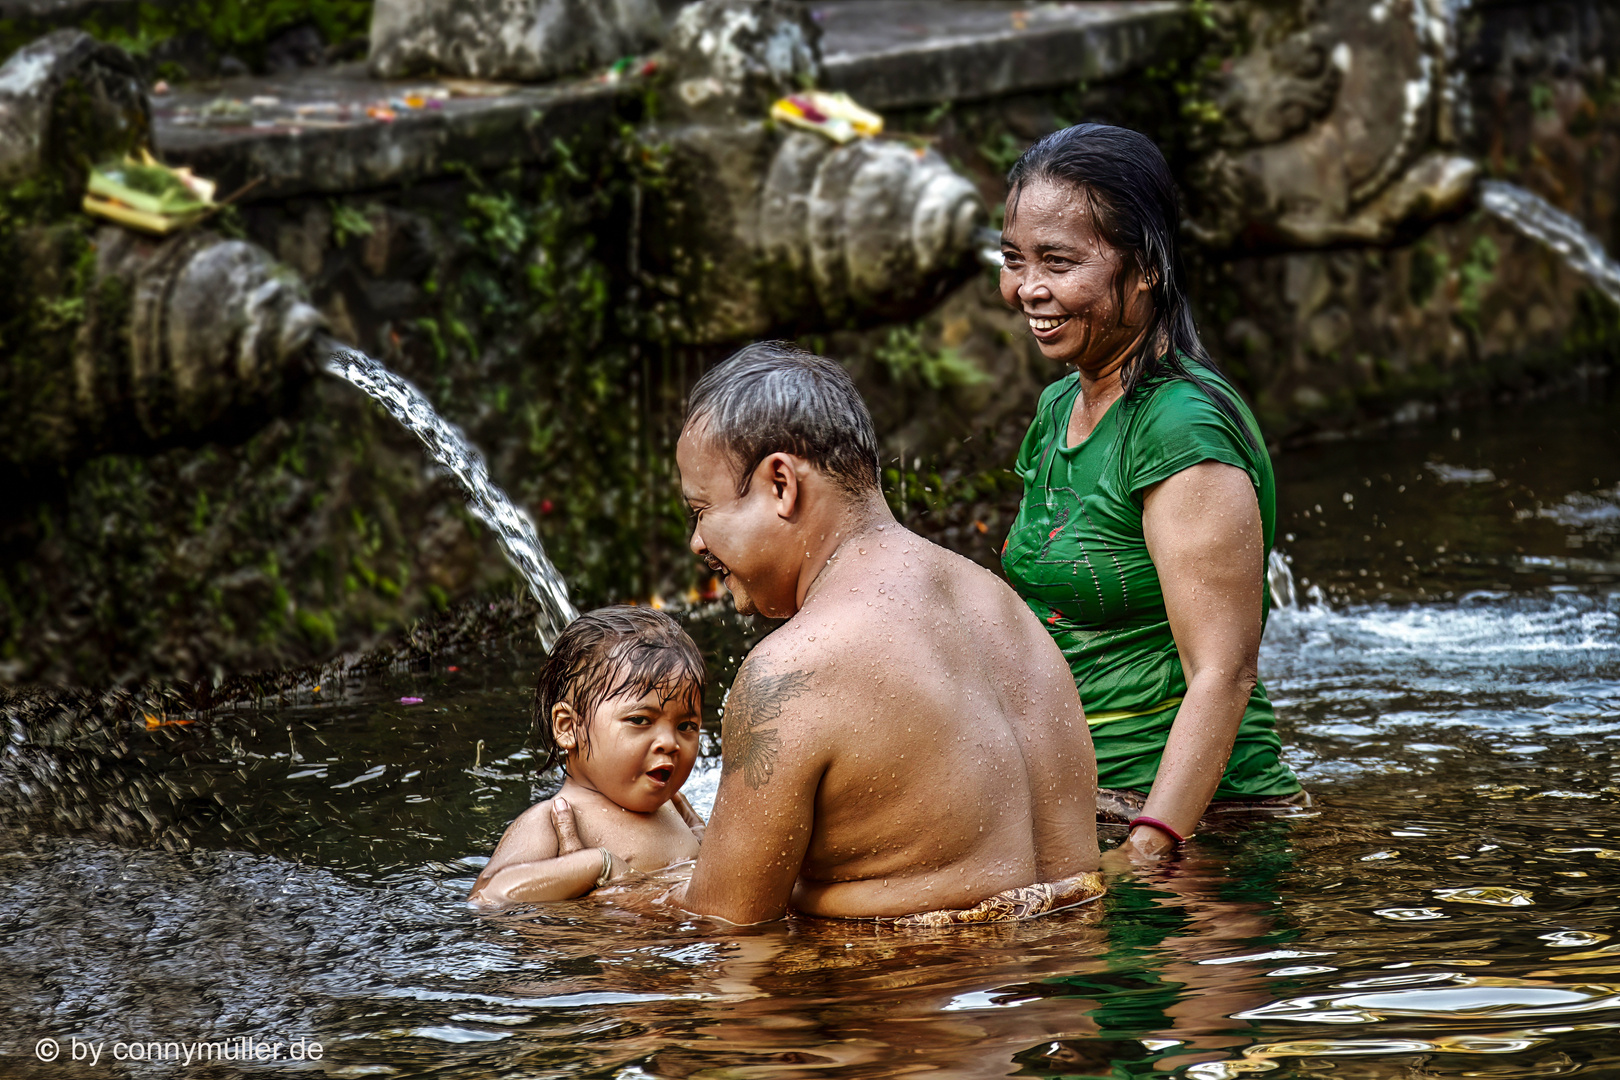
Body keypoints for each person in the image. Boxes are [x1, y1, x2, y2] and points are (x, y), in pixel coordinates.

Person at [661, 342, 1102, 924]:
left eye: (701, 511)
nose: (697, 542)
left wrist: (613, 890)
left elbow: (724, 931)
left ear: (780, 485)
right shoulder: (1005, 609)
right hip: (1076, 992)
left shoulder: (795, 669)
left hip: (901, 1001)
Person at [996, 123, 1306, 865]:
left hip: (1202, 826)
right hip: (1083, 805)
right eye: (1014, 260)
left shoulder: (1180, 430)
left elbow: (1222, 673)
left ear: (1145, 270)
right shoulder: (1058, 407)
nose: (1028, 289)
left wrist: (1150, 850)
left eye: (1059, 262)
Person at [467, 606, 709, 908]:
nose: (670, 743)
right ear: (569, 727)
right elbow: (488, 897)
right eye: (640, 720)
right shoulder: (554, 819)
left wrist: (708, 844)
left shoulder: (674, 808)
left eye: (686, 726)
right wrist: (596, 865)